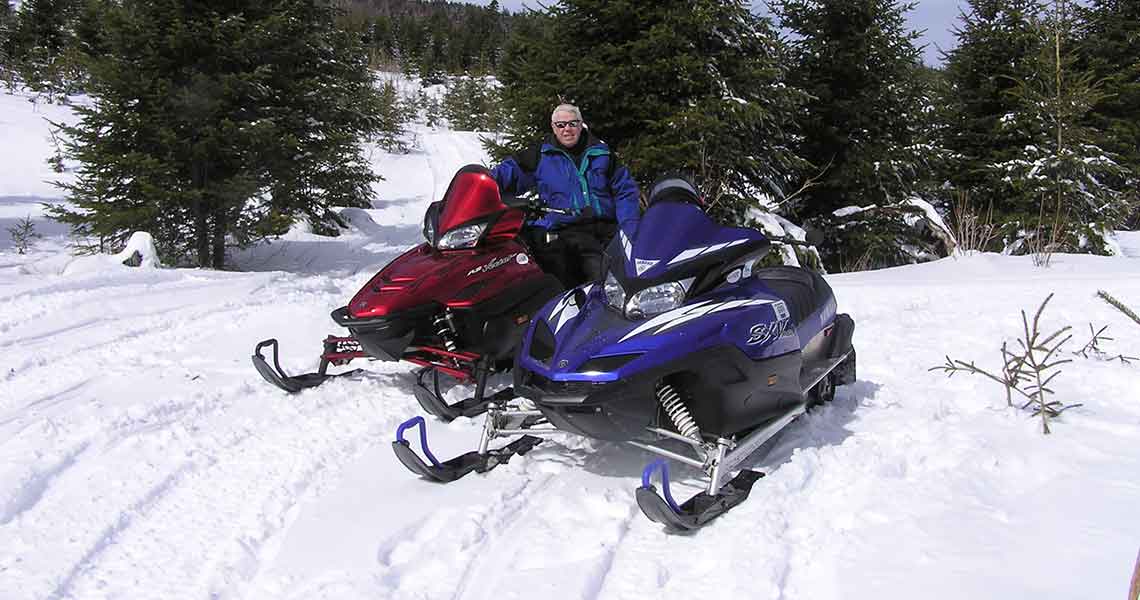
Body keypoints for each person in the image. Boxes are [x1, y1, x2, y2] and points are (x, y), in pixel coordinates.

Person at [491, 103, 640, 288]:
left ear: (581, 124)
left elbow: (625, 190)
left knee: (627, 275)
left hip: (607, 228)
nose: (567, 130)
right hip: (567, 230)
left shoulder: (602, 153)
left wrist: (629, 227)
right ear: (553, 128)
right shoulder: (541, 154)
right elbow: (506, 174)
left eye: (572, 123)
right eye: (561, 125)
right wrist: (482, 183)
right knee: (592, 276)